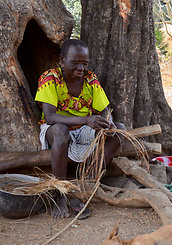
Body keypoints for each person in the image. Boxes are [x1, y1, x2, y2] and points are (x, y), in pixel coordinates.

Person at [35, 39, 124, 218]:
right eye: (75, 63)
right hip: (57, 129)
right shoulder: (50, 78)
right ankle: (60, 193)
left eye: (85, 63)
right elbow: (50, 117)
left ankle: (83, 187)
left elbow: (104, 110)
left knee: (119, 130)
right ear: (62, 60)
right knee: (61, 131)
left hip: (84, 128)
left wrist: (108, 122)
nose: (81, 68)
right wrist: (86, 120)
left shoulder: (90, 79)